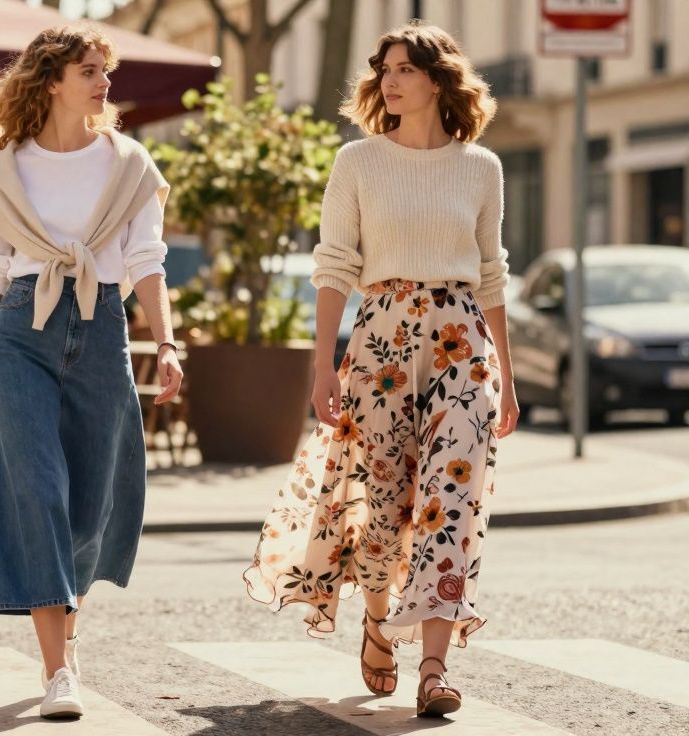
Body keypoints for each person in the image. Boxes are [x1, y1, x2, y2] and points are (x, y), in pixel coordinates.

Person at [243, 21, 519, 719]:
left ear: (438, 81)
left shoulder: (481, 167)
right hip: (381, 342)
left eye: (404, 70)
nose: (389, 81)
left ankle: (434, 667)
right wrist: (322, 368)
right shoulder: (359, 162)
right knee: (384, 499)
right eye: (384, 70)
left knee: (452, 503)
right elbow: (334, 267)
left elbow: (492, 274)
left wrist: (509, 380)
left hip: (463, 342)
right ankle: (375, 620)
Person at [0, 26, 184, 719]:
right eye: (90, 70)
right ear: (52, 81)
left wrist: (167, 343)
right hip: (20, 336)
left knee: (91, 505)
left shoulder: (129, 164)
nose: (105, 83)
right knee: (38, 491)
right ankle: (58, 670)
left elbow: (147, 261)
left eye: (105, 71)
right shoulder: (6, 170)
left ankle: (67, 636)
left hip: (102, 326)